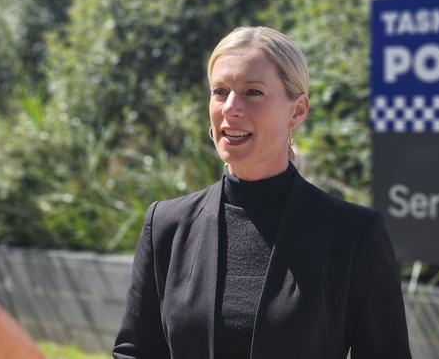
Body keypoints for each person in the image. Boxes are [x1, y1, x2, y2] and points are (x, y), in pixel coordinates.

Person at [113, 26, 412, 359]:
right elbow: (136, 352)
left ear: (297, 110)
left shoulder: (353, 235)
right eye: (220, 91)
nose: (231, 107)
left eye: (252, 92)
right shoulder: (166, 225)